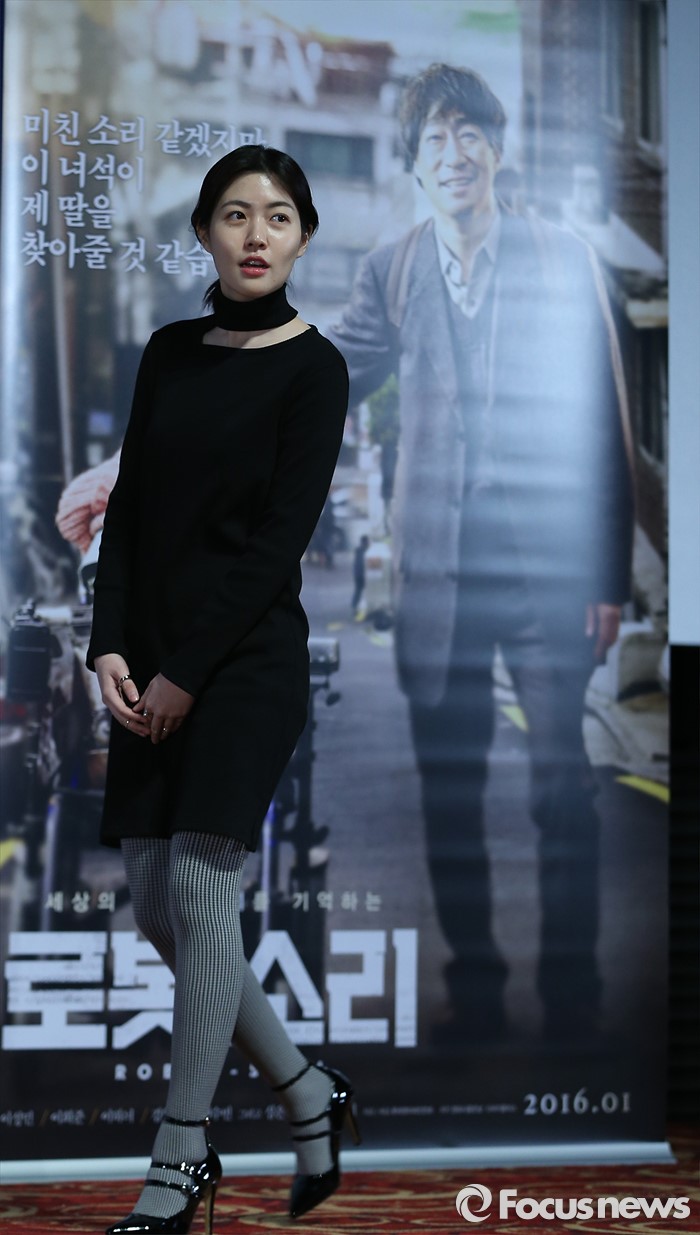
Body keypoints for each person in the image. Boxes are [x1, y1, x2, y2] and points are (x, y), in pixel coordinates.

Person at [327, 64, 634, 1043]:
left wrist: (608, 577)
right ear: (415, 166)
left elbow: (604, 421)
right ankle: (477, 988)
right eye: (433, 140)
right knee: (449, 800)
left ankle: (574, 997)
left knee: (562, 790)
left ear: (496, 148)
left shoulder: (561, 258)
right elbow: (315, 380)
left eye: (468, 134)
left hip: (548, 579)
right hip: (437, 580)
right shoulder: (392, 271)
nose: (452, 154)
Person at [87, 145, 356, 1234]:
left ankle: (182, 1150)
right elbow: (129, 507)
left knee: (202, 895)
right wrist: (109, 643)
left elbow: (275, 547)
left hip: (242, 664)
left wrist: (185, 673)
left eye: (278, 216)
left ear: (303, 238)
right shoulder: (168, 352)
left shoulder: (316, 368)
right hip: (149, 657)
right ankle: (306, 1086)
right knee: (164, 910)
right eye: (235, 214)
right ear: (203, 231)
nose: (255, 234)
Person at [352, 534, 370, 614]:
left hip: (358, 574)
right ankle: (355, 607)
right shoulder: (362, 551)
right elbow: (361, 564)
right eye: (367, 542)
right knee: (359, 591)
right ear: (364, 542)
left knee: (359, 591)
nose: (368, 543)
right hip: (360, 575)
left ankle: (356, 606)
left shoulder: (359, 550)